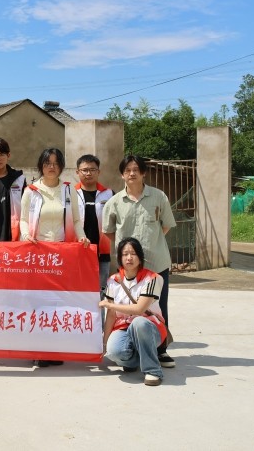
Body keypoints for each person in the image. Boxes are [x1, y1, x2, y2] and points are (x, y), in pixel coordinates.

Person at [103, 155, 176, 369]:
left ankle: (160, 350)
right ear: (122, 174)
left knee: (158, 307)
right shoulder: (115, 202)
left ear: (143, 173)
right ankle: (129, 349)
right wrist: (129, 253)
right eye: (127, 170)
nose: (132, 173)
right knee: (127, 309)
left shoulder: (158, 197)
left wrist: (151, 244)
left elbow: (165, 226)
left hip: (156, 262)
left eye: (136, 169)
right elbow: (109, 231)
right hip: (128, 268)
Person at [20, 147, 89, 368]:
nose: (51, 167)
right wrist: (26, 235)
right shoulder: (31, 191)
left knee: (58, 302)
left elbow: (76, 220)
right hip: (37, 253)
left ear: (61, 166)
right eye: (47, 163)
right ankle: (38, 349)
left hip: (61, 253)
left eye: (56, 163)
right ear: (41, 165)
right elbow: (23, 219)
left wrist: (82, 237)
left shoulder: (69, 190)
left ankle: (55, 348)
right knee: (38, 302)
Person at [100, 238, 167, 386]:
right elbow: (111, 315)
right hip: (123, 327)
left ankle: (153, 371)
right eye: (125, 254)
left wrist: (111, 305)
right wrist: (104, 344)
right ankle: (136, 361)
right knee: (114, 353)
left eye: (133, 253)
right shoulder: (113, 280)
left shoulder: (152, 279)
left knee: (139, 322)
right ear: (119, 258)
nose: (129, 258)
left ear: (140, 257)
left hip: (149, 328)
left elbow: (139, 309)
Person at [74, 155, 114, 294]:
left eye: (92, 169)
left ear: (99, 172)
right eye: (84, 170)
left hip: (102, 252)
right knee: (77, 290)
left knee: (100, 292)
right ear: (77, 172)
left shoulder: (109, 194)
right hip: (76, 251)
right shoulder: (70, 193)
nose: (88, 173)